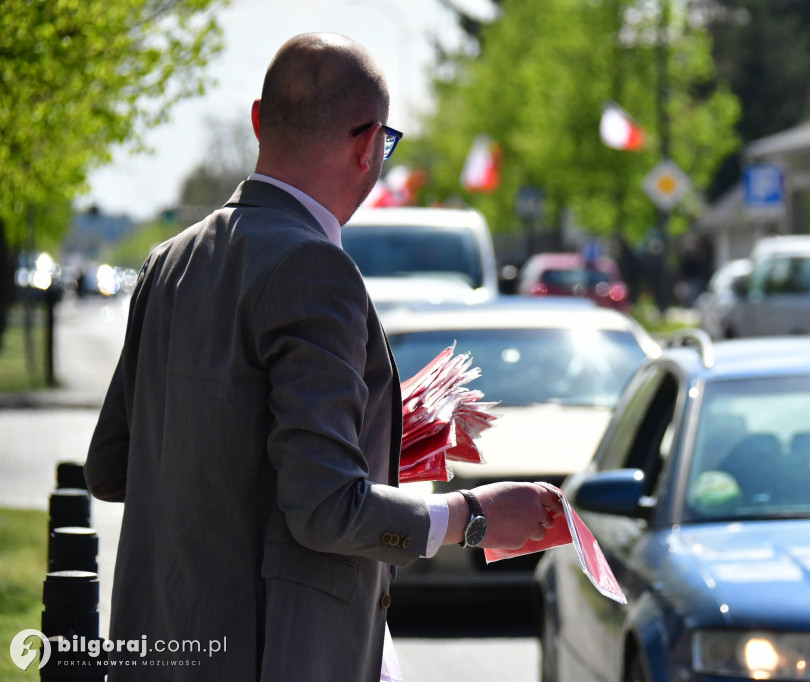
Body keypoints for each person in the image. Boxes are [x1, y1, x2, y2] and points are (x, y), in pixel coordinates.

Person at [85, 32, 560, 682]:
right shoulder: (314, 267)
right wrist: (474, 518)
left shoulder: (169, 261)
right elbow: (326, 510)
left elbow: (111, 467)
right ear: (369, 146)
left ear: (258, 121)